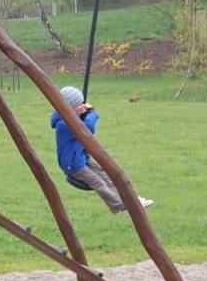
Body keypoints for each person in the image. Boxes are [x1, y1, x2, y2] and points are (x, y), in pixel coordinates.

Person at [51, 86, 153, 214]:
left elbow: (80, 123)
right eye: (80, 104)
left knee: (108, 174)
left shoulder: (69, 118)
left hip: (81, 158)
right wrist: (91, 113)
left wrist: (81, 113)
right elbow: (87, 129)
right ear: (70, 108)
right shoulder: (64, 124)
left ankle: (131, 198)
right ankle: (121, 206)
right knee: (98, 182)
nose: (84, 106)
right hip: (73, 164)